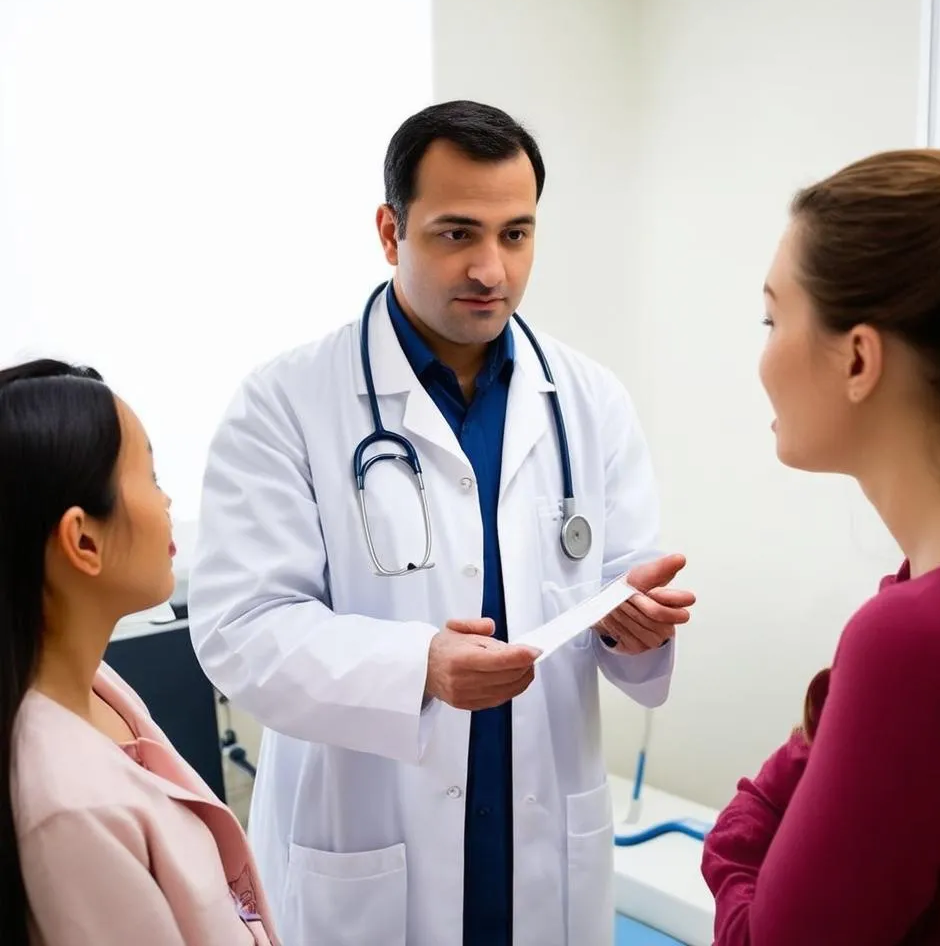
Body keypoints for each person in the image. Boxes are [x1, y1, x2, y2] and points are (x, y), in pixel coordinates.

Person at [187, 99, 694, 946]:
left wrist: (632, 627)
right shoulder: (286, 404)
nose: (491, 269)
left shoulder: (588, 401)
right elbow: (240, 631)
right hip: (369, 849)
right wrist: (417, 666)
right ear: (391, 232)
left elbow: (621, 575)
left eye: (517, 234)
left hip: (536, 844)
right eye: (457, 234)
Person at [702, 131, 940, 944]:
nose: (762, 357)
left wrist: (736, 843)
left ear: (858, 360)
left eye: (771, 318)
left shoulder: (919, 643)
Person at [0, 360, 279, 945]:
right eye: (150, 476)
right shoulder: (66, 813)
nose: (168, 498)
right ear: (83, 540)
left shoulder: (95, 683)